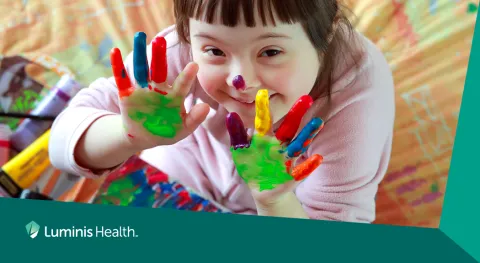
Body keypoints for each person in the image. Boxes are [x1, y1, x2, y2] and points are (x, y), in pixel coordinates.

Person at [49, 0, 395, 222]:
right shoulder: (178, 52)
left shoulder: (357, 98)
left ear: (328, 32)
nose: (240, 80)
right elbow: (61, 144)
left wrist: (275, 199)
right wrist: (125, 136)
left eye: (271, 51)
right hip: (180, 168)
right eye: (214, 50)